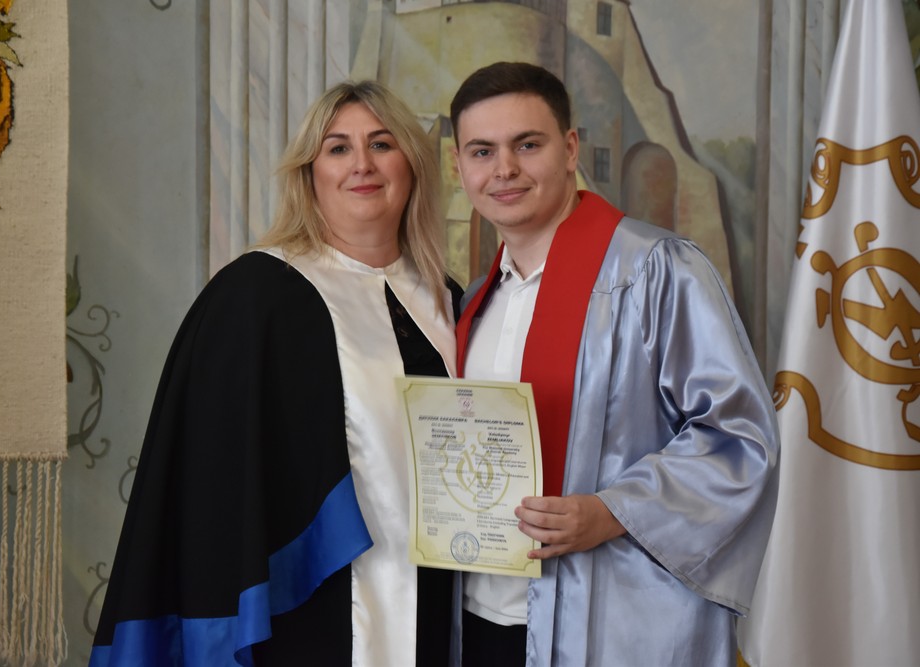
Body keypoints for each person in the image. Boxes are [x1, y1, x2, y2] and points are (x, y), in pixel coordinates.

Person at [90, 80, 460, 666]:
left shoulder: (451, 301)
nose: (361, 164)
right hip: (311, 604)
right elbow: (210, 478)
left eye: (381, 144)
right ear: (309, 174)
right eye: (337, 148)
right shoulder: (256, 295)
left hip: (438, 594)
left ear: (412, 164)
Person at [449, 61, 780, 666]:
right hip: (481, 618)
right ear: (459, 167)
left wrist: (610, 511)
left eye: (528, 144)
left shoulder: (656, 272)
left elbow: (740, 439)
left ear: (571, 149)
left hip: (610, 625)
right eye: (482, 151)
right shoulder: (476, 302)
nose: (505, 169)